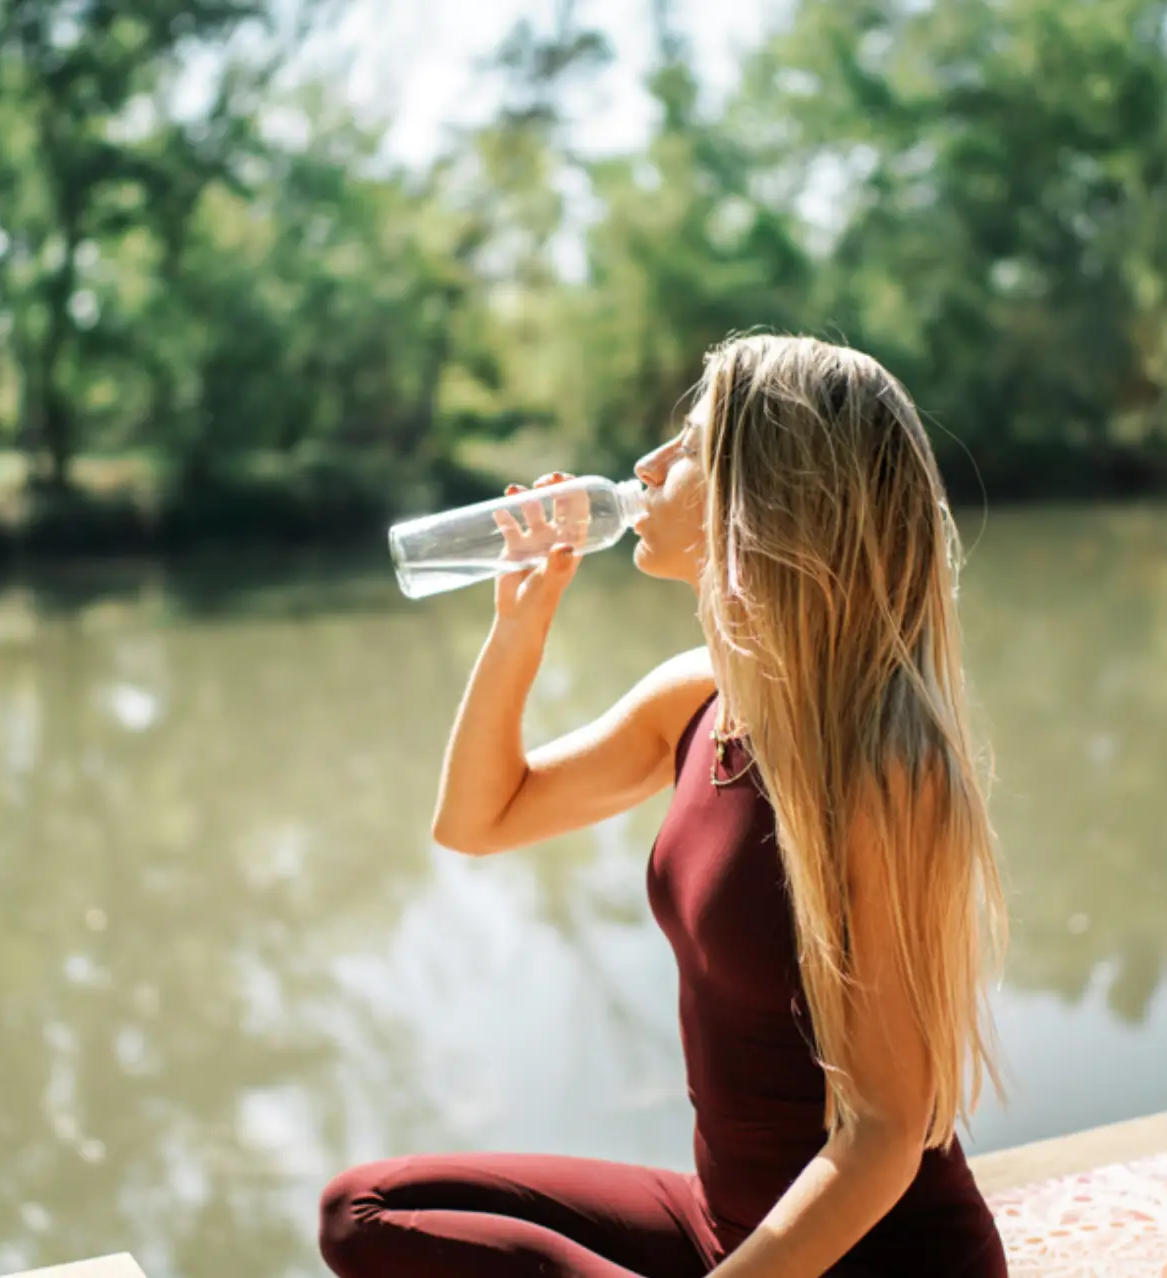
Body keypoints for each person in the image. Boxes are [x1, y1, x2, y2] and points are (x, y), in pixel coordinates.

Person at [318, 334, 1009, 1277]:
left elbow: (886, 1133)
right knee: (368, 1212)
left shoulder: (880, 767)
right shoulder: (700, 700)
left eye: (686, 445)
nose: (643, 468)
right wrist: (520, 627)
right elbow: (478, 820)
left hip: (871, 1257)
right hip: (726, 1227)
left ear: (764, 493)